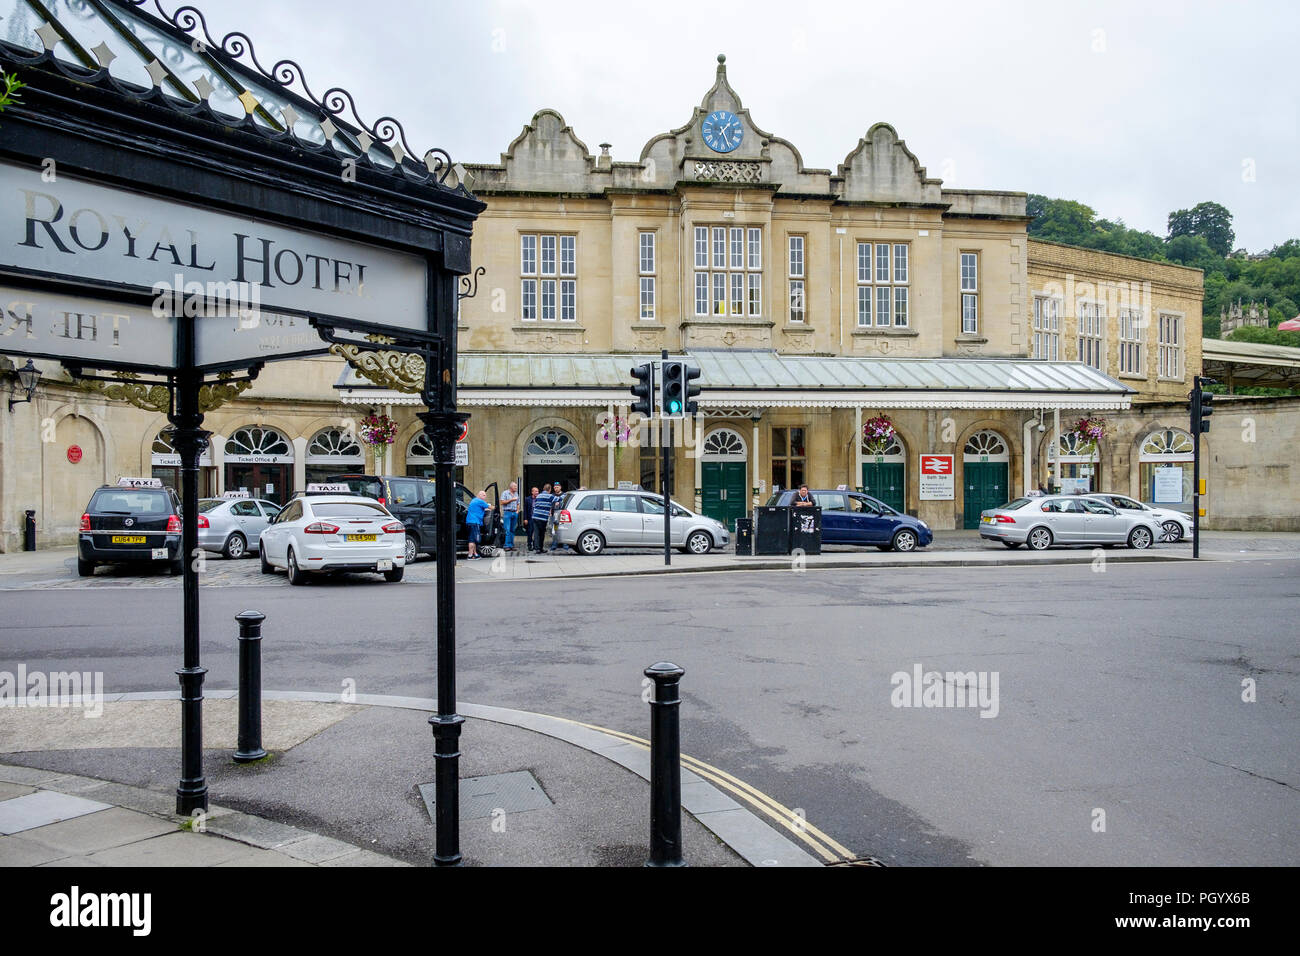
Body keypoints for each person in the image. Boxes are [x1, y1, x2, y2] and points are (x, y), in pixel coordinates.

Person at [465, 490, 491, 559]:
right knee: (473, 539)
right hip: (474, 522)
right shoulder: (480, 501)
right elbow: (490, 507)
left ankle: (475, 554)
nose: (485, 497)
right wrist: (496, 508)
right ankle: (470, 555)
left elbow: (479, 509)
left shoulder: (474, 500)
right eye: (484, 495)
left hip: (470, 521)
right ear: (479, 495)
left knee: (473, 539)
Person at [531, 484, 555, 553]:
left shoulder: (538, 496)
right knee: (541, 533)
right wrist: (564, 495)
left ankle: (537, 549)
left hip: (535, 517)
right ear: (549, 489)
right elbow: (559, 499)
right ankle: (540, 548)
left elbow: (535, 504)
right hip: (542, 517)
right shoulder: (550, 496)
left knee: (536, 533)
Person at [500, 481, 520, 552]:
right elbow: (502, 502)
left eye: (516, 486)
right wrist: (511, 500)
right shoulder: (505, 493)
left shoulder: (516, 494)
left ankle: (511, 545)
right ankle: (506, 545)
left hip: (514, 513)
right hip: (507, 513)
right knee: (507, 530)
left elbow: (518, 503)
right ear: (511, 487)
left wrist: (517, 511)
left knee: (512, 530)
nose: (516, 488)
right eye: (515, 487)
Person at [548, 482, 565, 552]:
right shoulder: (552, 495)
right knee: (554, 530)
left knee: (563, 528)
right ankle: (554, 544)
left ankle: (565, 544)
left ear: (560, 487)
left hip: (562, 515)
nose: (556, 488)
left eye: (557, 487)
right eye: (555, 487)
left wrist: (560, 502)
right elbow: (549, 504)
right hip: (553, 514)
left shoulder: (564, 495)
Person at [521, 486, 539, 552]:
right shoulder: (527, 499)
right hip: (530, 518)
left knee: (536, 533)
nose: (537, 492)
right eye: (536, 491)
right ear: (532, 492)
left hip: (537, 518)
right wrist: (525, 519)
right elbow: (525, 510)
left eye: (538, 491)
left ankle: (535, 545)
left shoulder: (539, 499)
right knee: (530, 532)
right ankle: (529, 545)